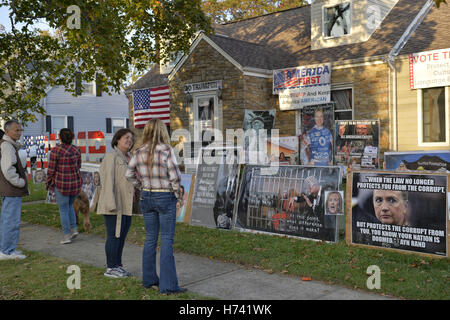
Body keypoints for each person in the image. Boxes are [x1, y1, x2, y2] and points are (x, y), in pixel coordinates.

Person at [125, 119, 186, 295]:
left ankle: (149, 279)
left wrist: (141, 185)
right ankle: (168, 286)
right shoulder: (166, 150)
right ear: (162, 132)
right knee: (167, 239)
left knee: (150, 238)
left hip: (147, 196)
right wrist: (177, 195)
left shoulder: (138, 151)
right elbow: (175, 176)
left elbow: (128, 174)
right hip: (165, 196)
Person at [96, 128, 136, 279]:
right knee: (114, 235)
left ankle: (118, 265)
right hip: (114, 203)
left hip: (126, 204)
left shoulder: (128, 158)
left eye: (131, 139)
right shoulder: (111, 157)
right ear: (117, 139)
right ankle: (110, 267)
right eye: (126, 137)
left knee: (122, 236)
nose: (129, 140)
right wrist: (110, 203)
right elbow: (107, 181)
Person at [46, 128, 82, 244]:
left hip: (61, 184)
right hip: (75, 184)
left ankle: (66, 235)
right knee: (70, 206)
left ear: (59, 137)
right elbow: (79, 166)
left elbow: (51, 170)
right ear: (72, 137)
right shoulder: (77, 150)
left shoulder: (56, 151)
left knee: (63, 210)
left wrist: (48, 183)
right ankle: (74, 229)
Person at [0, 120, 29, 260]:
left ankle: (7, 249)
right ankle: (7, 251)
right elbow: (7, 169)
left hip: (9, 190)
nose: (19, 132)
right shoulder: (7, 146)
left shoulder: (9, 145)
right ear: (7, 131)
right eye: (16, 130)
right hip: (11, 189)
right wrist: (19, 182)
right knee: (11, 221)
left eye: (20, 130)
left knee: (8, 220)